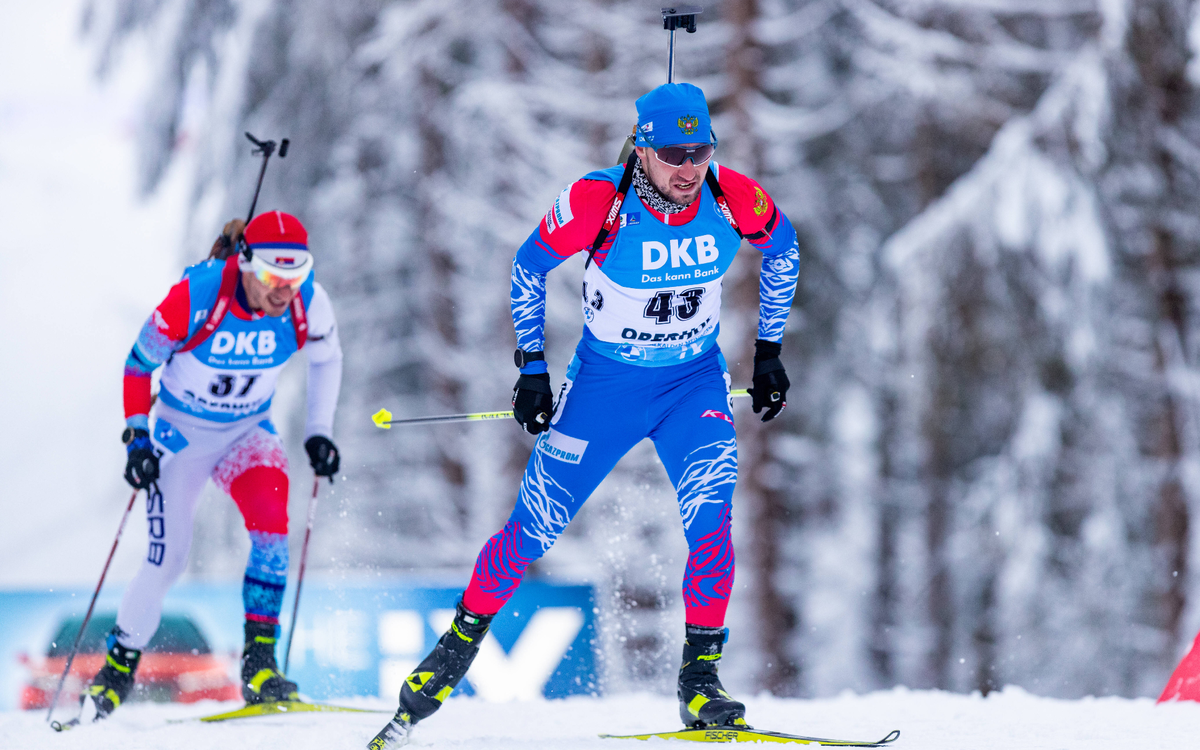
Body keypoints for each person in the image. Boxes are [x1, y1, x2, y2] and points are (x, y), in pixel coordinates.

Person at [369, 82, 799, 748]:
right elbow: (527, 266)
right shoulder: (599, 201)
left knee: (712, 523)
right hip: (607, 389)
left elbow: (784, 248)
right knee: (531, 531)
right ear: (643, 148)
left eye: (702, 151)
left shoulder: (731, 195)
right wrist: (533, 368)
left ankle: (700, 683)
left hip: (694, 385)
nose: (691, 168)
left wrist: (768, 351)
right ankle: (452, 653)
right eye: (676, 153)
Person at [86, 211, 344, 719]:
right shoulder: (199, 296)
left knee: (272, 531)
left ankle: (260, 666)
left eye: (292, 279)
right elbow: (139, 364)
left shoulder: (310, 302)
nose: (281, 292)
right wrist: (137, 436)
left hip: (247, 432)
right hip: (179, 436)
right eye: (271, 277)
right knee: (169, 558)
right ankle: (118, 665)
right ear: (246, 264)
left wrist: (319, 433)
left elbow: (327, 358)